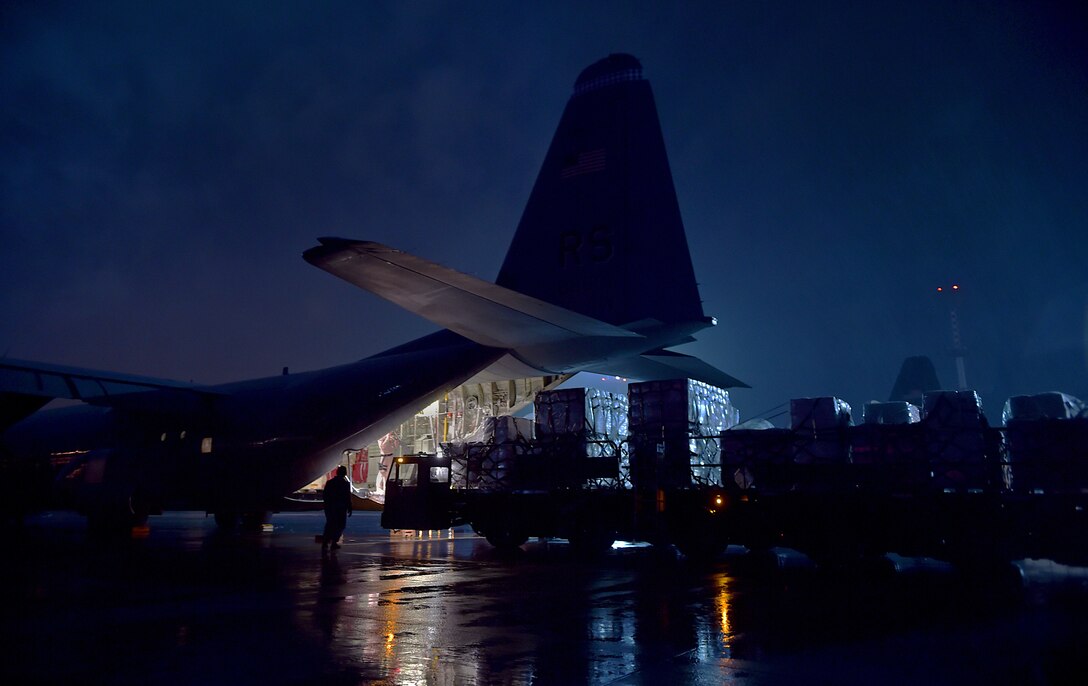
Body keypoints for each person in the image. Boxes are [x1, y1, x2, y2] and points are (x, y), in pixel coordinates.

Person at [322, 465, 352, 552]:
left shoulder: (330, 482)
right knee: (340, 525)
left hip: (330, 507)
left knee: (330, 524)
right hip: (341, 508)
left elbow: (325, 495)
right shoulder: (345, 484)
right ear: (345, 473)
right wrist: (349, 507)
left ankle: (325, 542)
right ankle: (334, 542)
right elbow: (347, 497)